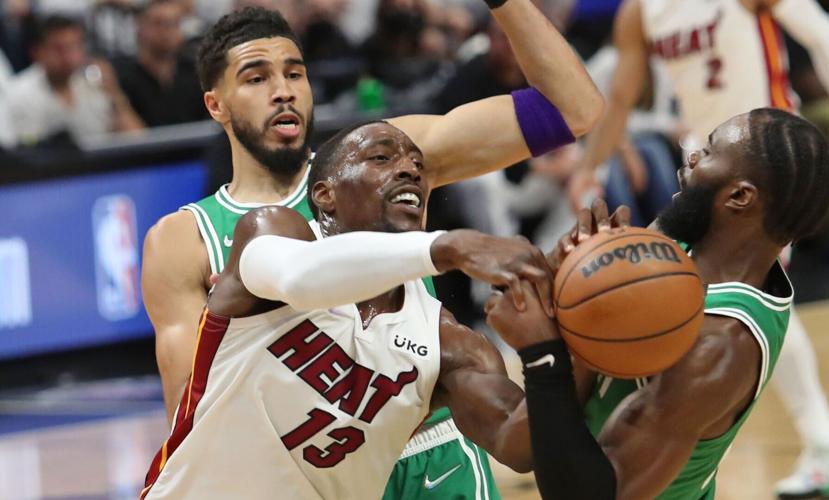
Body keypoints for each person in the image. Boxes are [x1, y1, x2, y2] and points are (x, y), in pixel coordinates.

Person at [140, 2, 603, 499]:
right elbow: (192, 412)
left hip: (432, 452)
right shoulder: (184, 238)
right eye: (256, 79)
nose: (283, 90)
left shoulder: (378, 163)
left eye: (295, 73)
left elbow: (573, 109)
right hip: (303, 468)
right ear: (217, 105)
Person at [142, 120, 547, 499]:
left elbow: (521, 446)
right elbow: (299, 278)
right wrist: (450, 246)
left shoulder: (445, 341)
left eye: (418, 164)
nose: (409, 169)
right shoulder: (270, 232)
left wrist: (556, 350)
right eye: (382, 158)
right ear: (325, 195)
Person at [569, 0, 829, 495]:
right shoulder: (640, 11)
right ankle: (819, 445)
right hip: (705, 167)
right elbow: (622, 91)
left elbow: (823, 35)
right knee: (647, 288)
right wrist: (589, 166)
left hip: (767, 172)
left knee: (736, 313)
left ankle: (816, 445)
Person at [486, 108, 829, 499]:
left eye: (708, 151)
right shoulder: (681, 245)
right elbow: (522, 448)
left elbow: (595, 494)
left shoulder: (717, 345)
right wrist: (569, 287)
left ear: (739, 196)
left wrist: (544, 351)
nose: (690, 157)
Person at [5, 14, 143, 146]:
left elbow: (137, 141)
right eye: (59, 49)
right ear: (37, 52)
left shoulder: (95, 82)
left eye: (75, 46)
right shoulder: (18, 93)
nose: (69, 57)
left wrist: (115, 94)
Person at [112, 0, 207, 127]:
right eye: (159, 23)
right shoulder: (121, 76)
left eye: (174, 23)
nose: (168, 31)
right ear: (140, 27)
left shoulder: (195, 73)